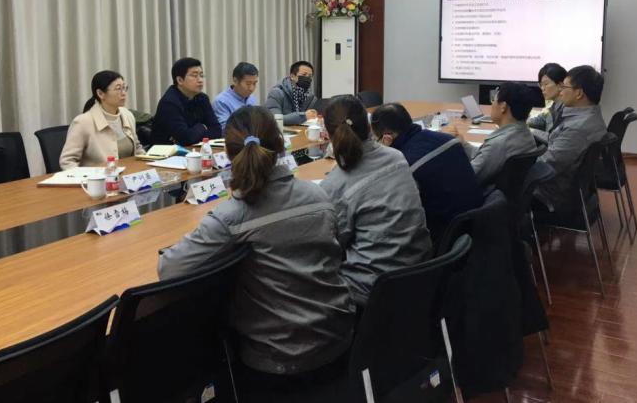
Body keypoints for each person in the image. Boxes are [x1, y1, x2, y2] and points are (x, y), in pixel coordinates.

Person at [158, 106, 354, 384]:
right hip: (339, 340)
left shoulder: (233, 215)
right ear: (280, 145)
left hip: (277, 359)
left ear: (228, 154)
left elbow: (169, 269)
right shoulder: (319, 195)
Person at [320, 95, 432, 306]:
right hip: (420, 274)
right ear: (369, 126)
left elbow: (331, 247)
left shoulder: (334, 186)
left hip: (373, 292)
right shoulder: (396, 156)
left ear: (327, 134)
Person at [371, 102, 484, 244]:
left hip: (443, 236)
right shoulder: (449, 139)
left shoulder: (404, 166)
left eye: (376, 139)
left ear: (387, 138)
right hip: (476, 224)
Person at [534, 65, 607, 211]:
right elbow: (557, 145)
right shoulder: (591, 116)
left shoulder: (577, 129)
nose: (560, 91)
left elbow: (546, 164)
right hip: (573, 189)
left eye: (564, 87)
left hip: (550, 196)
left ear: (579, 93)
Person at [59, 70, 144, 170]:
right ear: (100, 94)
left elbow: (137, 148)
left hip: (129, 175)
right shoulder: (83, 122)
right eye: (118, 89)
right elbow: (67, 161)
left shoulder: (127, 115)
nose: (124, 93)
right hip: (97, 178)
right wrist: (88, 178)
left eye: (124, 88)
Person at [467, 82, 542, 185]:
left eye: (493, 100)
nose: (492, 104)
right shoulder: (525, 133)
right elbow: (486, 156)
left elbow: (465, 177)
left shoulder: (499, 144)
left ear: (503, 106)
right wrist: (462, 144)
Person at [151, 57, 221, 146]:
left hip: (194, 149)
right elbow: (186, 138)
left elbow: (217, 131)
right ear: (180, 80)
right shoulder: (169, 103)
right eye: (194, 76)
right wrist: (202, 126)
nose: (200, 80)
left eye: (201, 75)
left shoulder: (203, 98)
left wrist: (194, 133)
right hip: (167, 152)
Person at [266, 61, 319, 125]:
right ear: (292, 76)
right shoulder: (276, 93)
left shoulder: (310, 97)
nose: (307, 78)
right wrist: (303, 116)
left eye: (310, 76)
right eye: (304, 75)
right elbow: (275, 120)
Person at [213, 62, 259, 131]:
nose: (251, 88)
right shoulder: (221, 101)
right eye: (248, 84)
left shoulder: (252, 99)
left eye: (254, 83)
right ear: (235, 81)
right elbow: (226, 129)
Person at [527, 63, 567, 132]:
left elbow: (553, 136)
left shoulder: (566, 109)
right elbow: (542, 119)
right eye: (541, 85)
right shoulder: (554, 105)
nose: (542, 88)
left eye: (546, 84)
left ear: (560, 85)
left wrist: (530, 132)